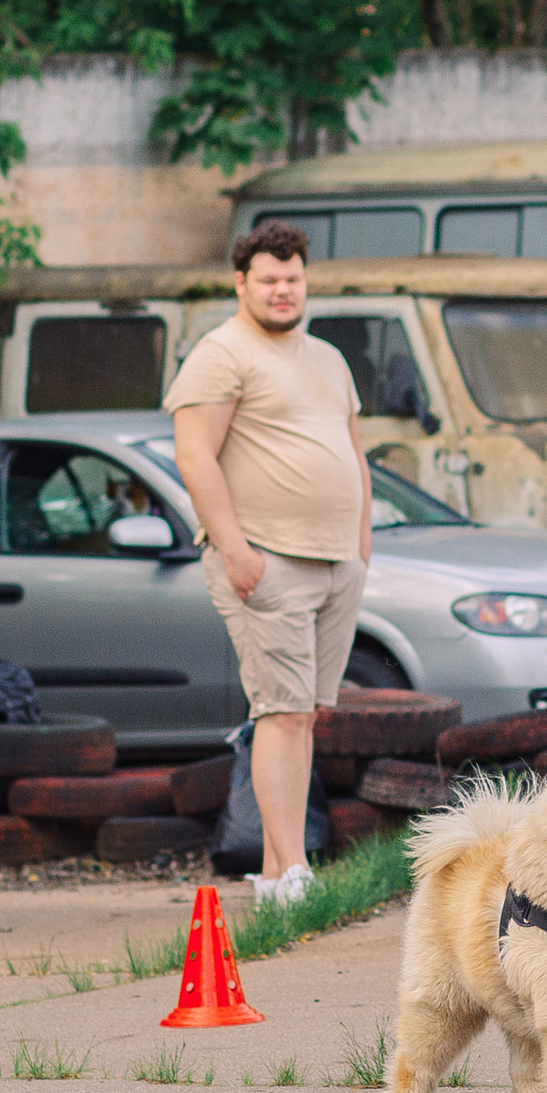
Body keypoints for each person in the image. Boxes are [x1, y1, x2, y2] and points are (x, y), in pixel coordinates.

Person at [166, 221, 373, 906]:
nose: (283, 291)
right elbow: (194, 456)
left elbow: (354, 453)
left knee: (305, 716)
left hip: (337, 562)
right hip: (268, 560)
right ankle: (286, 874)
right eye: (268, 280)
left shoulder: (327, 359)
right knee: (279, 714)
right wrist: (235, 550)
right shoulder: (220, 355)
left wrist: (363, 548)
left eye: (292, 279)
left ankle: (284, 864)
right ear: (241, 283)